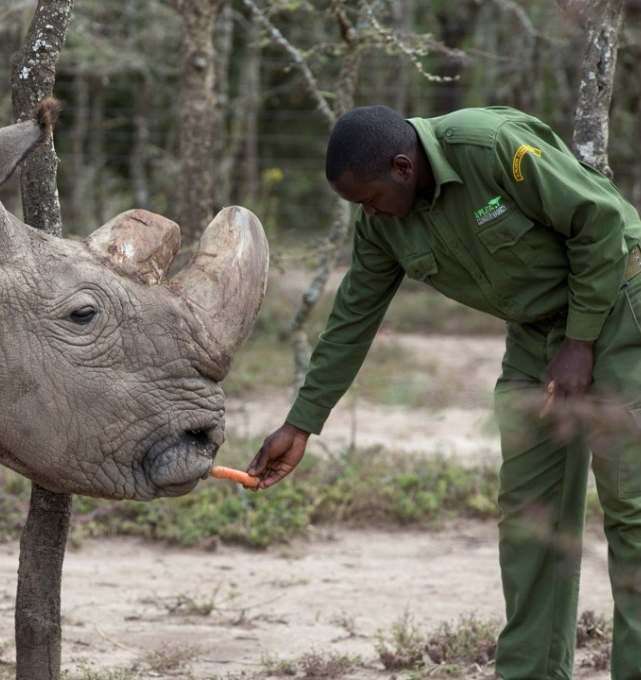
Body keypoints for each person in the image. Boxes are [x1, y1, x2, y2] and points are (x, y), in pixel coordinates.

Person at [247, 105, 641, 679]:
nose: (368, 213)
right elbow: (352, 319)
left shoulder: (492, 146)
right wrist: (300, 424)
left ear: (403, 167)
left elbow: (601, 221)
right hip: (537, 336)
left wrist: (580, 343)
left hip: (619, 304)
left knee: (631, 510)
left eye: (369, 198)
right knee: (530, 515)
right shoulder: (383, 224)